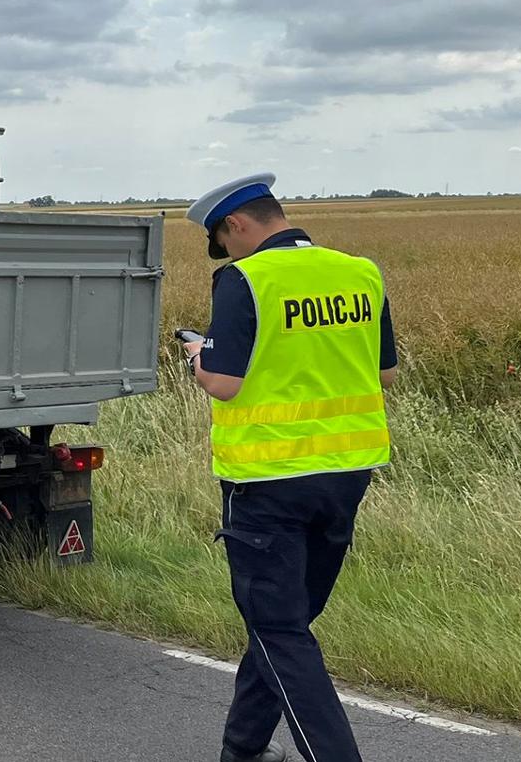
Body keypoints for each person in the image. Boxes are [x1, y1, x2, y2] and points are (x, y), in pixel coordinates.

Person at [182, 174, 397, 762]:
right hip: (348, 473)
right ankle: (244, 748)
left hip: (266, 482)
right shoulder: (359, 271)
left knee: (279, 632)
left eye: (224, 241)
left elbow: (225, 384)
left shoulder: (244, 279)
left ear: (237, 225)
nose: (227, 253)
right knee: (286, 622)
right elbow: (384, 374)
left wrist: (200, 357)